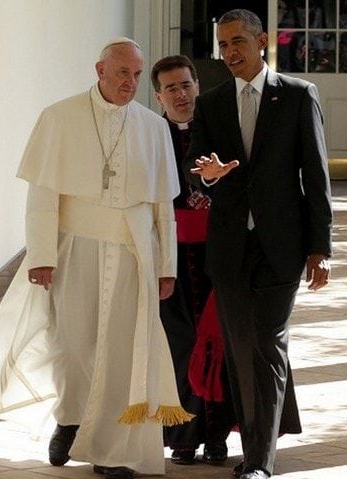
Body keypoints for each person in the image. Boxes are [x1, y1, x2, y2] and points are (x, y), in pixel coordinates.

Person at [0, 38, 188, 479]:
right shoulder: (59, 117)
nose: (131, 82)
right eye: (123, 72)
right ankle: (69, 419)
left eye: (138, 75)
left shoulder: (153, 127)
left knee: (125, 351)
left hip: (134, 253)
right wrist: (41, 255)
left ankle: (111, 450)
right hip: (76, 247)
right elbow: (43, 194)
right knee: (74, 345)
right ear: (100, 69)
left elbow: (163, 208)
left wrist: (167, 266)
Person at [184, 9, 332, 479]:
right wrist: (208, 175)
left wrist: (320, 248)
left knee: (266, 343)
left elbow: (317, 176)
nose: (228, 52)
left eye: (237, 42)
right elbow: (198, 167)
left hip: (281, 247)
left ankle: (259, 461)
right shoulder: (210, 104)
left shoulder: (297, 96)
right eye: (222, 45)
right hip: (229, 249)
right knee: (239, 346)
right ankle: (255, 447)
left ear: (261, 41)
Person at [151, 54, 236, 466]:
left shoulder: (220, 126)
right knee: (180, 346)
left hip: (217, 253)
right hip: (170, 257)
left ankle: (217, 438)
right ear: (159, 95)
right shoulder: (150, 134)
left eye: (186, 85)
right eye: (171, 88)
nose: (180, 95)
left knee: (218, 343)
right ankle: (183, 437)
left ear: (197, 86)